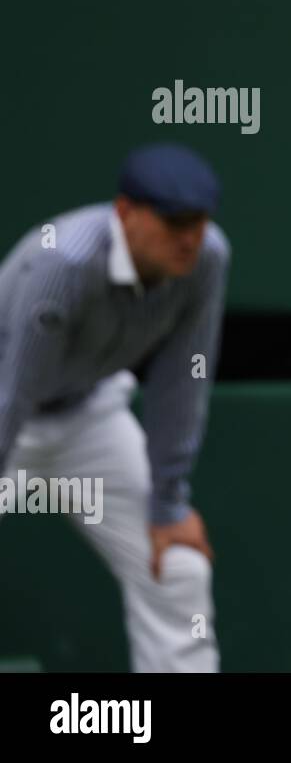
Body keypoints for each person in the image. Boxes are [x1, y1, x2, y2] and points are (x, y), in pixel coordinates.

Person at [0, 142, 230, 672]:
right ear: (126, 212)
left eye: (199, 221)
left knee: (176, 564)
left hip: (90, 415)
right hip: (10, 414)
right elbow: (13, 392)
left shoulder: (207, 257)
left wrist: (168, 501)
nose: (190, 238)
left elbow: (183, 377)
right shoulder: (64, 262)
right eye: (175, 222)